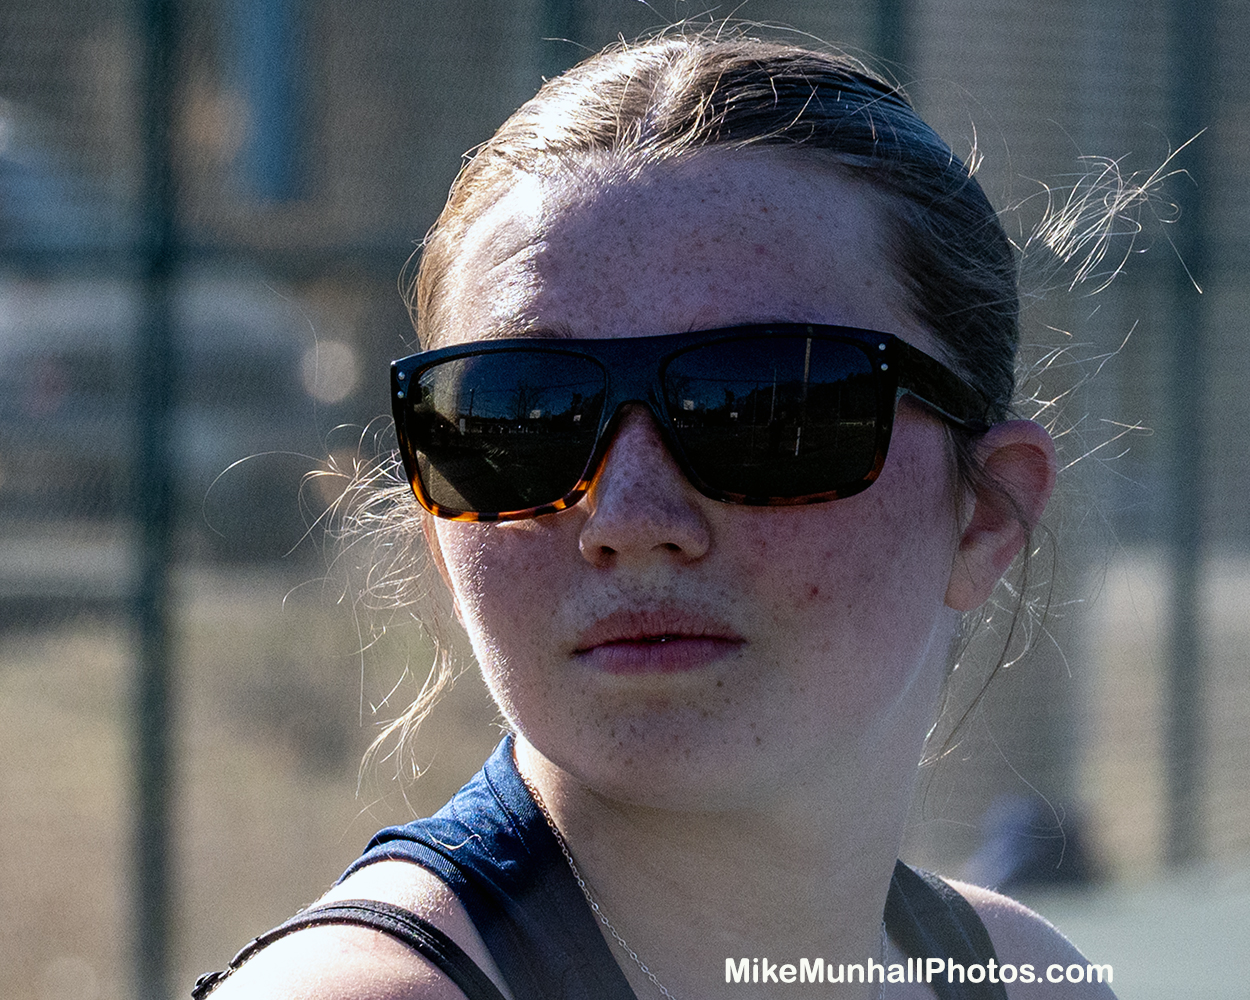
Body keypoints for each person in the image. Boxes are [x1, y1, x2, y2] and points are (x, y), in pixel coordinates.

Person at [197, 30, 1117, 1000]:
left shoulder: (1023, 979)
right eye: (519, 419)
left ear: (985, 513)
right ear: (438, 516)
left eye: (765, 407)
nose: (628, 516)